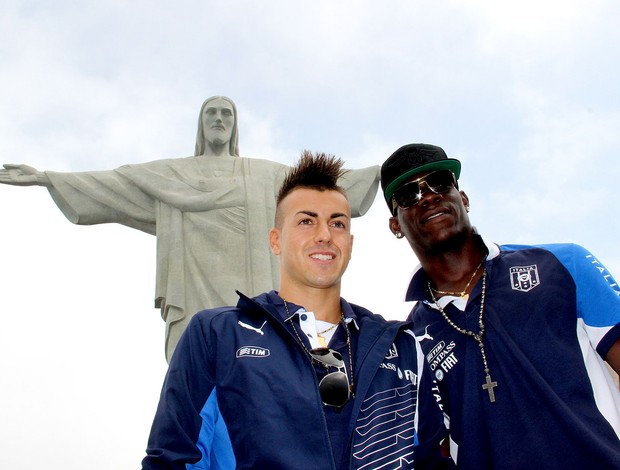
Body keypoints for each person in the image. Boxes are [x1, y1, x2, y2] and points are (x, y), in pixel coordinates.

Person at [0, 96, 380, 361]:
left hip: (253, 301)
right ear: (201, 124)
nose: (218, 119)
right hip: (194, 300)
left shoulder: (263, 175)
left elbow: (323, 186)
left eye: (226, 115)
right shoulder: (174, 175)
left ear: (234, 127)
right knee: (198, 396)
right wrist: (45, 178)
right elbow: (117, 183)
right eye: (211, 113)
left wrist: (386, 170)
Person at [141, 151, 452, 469]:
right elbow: (171, 458)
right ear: (275, 241)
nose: (324, 235)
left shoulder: (402, 346)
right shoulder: (216, 335)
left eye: (337, 223)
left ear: (350, 242)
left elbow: (431, 460)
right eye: (306, 221)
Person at [380, 143, 620, 469]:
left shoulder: (563, 264)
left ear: (462, 198)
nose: (429, 196)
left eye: (440, 182)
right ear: (395, 225)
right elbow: (428, 450)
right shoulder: (410, 342)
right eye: (409, 195)